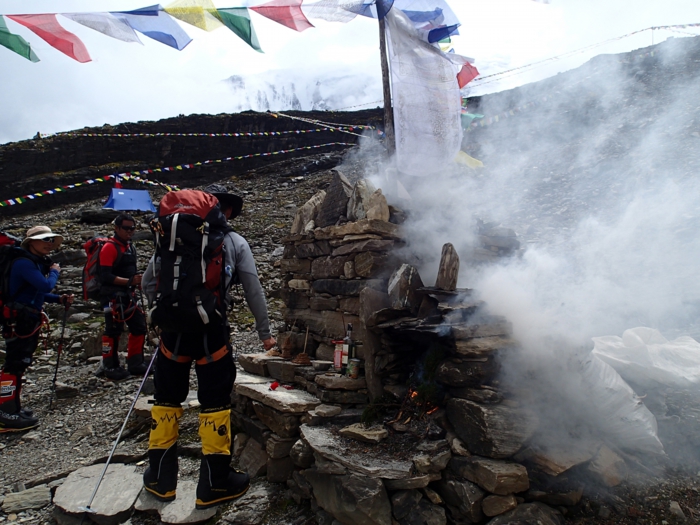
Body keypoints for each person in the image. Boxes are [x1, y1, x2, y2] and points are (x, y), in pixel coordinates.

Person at [141, 184, 276, 509]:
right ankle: (215, 482)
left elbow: (148, 283)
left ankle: (161, 479)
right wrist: (265, 334)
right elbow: (254, 290)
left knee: (166, 400)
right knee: (214, 401)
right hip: (210, 332)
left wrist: (166, 314)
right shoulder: (234, 242)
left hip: (172, 334)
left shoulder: (173, 237)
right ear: (226, 210)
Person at [0, 226, 74, 432]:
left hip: (26, 318)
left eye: (51, 240)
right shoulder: (24, 263)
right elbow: (44, 286)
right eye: (44, 240)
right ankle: (5, 414)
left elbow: (37, 293)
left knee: (20, 364)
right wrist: (54, 273)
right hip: (19, 320)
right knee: (14, 364)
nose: (48, 243)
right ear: (30, 242)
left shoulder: (32, 262)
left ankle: (13, 408)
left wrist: (59, 299)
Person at [98, 213, 148, 381]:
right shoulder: (109, 247)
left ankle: (136, 363)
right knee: (113, 331)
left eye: (132, 228)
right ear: (117, 228)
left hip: (128, 295)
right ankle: (110, 366)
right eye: (126, 228)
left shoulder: (129, 247)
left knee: (139, 326)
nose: (130, 231)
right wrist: (129, 281)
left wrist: (134, 282)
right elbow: (104, 276)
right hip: (112, 297)